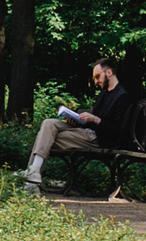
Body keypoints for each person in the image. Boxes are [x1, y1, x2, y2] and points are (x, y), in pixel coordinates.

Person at [20, 57, 139, 189]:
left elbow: (118, 132)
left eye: (97, 76)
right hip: (86, 131)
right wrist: (76, 121)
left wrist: (95, 120)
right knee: (48, 124)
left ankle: (30, 181)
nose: (96, 81)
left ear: (109, 73)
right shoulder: (104, 94)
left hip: (98, 138)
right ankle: (33, 174)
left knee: (45, 136)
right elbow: (91, 122)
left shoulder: (122, 97)